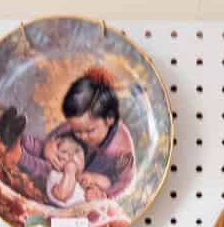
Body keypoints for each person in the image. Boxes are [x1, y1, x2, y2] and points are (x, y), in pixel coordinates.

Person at [18, 73, 136, 203]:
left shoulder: (122, 151)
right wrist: (49, 145)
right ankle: (19, 138)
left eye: (89, 131)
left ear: (110, 119)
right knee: (42, 147)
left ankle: (20, 155)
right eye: (77, 131)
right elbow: (58, 134)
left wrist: (102, 193)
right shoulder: (81, 123)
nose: (82, 136)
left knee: (45, 170)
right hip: (66, 159)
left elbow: (124, 183)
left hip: (79, 185)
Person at [45, 131, 92, 207]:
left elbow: (106, 184)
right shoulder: (55, 175)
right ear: (53, 159)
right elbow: (62, 195)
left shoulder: (86, 176)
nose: (71, 155)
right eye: (64, 151)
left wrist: (94, 180)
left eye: (77, 151)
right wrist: (70, 172)